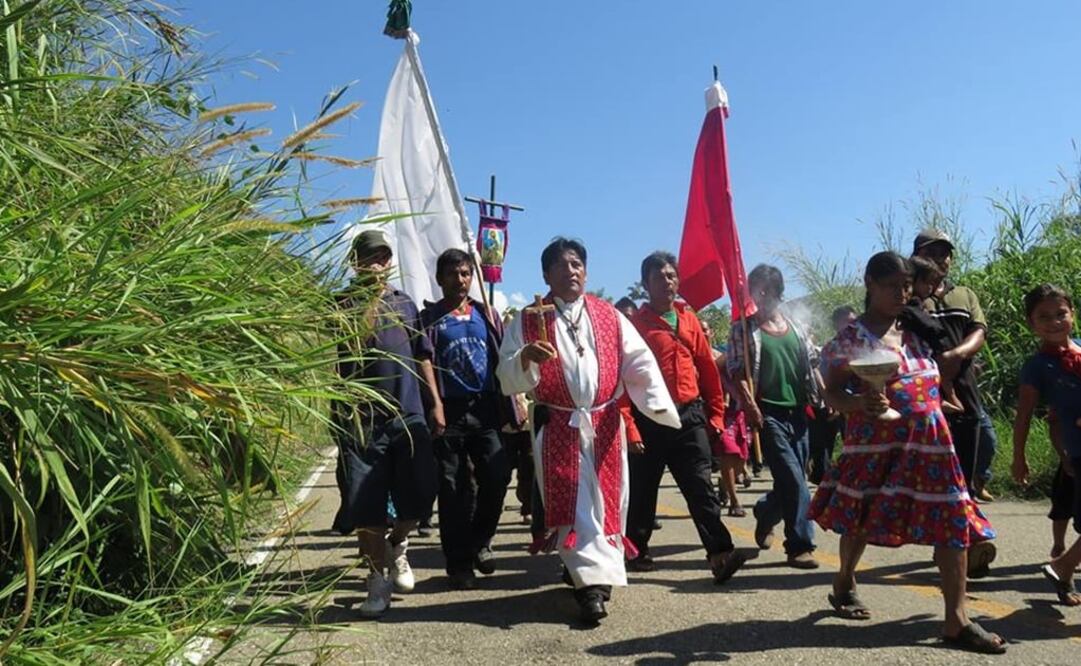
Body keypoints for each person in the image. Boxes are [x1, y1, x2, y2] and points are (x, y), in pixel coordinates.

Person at [811, 251, 1004, 655]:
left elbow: (949, 364)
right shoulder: (849, 340)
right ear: (869, 284)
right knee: (861, 520)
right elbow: (829, 391)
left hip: (933, 448)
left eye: (905, 285)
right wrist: (856, 404)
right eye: (890, 285)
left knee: (953, 520)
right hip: (874, 449)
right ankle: (844, 580)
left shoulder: (919, 330)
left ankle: (957, 620)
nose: (901, 293)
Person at [497, 237, 679, 625]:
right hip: (559, 425)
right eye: (562, 266)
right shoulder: (529, 320)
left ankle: (593, 574)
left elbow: (638, 360)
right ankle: (591, 589)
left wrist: (659, 406)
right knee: (576, 508)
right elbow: (506, 373)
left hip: (605, 422)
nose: (571, 271)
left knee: (608, 505)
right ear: (546, 274)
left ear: (587, 271)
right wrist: (526, 357)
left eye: (577, 264)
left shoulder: (608, 315)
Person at [331, 229, 440, 619]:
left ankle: (399, 544)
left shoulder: (405, 303)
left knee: (422, 495)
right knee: (367, 506)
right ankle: (377, 580)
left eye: (383, 257)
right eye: (370, 257)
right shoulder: (340, 304)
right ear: (355, 262)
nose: (377, 264)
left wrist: (435, 404)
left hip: (407, 414)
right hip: (362, 421)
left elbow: (423, 355)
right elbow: (328, 364)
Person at [623, 251, 747, 580]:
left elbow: (707, 369)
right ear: (645, 283)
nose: (667, 281)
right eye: (659, 276)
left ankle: (721, 554)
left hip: (690, 416)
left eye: (671, 275)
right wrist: (630, 426)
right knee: (643, 488)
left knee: (700, 487)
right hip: (649, 418)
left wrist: (716, 416)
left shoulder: (689, 319)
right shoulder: (635, 326)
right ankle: (635, 549)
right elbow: (624, 380)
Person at [420, 249, 513, 590]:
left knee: (498, 475)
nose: (460, 280)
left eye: (465, 273)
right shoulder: (430, 317)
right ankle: (459, 563)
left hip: (486, 407)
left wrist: (511, 400)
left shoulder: (486, 314)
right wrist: (436, 405)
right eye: (453, 274)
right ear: (439, 278)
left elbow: (503, 357)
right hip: (451, 410)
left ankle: (480, 541)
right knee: (454, 487)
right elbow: (424, 360)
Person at [728, 264, 820, 569]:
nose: (762, 295)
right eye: (757, 289)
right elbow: (736, 371)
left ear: (778, 292)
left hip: (799, 411)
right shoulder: (744, 329)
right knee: (795, 481)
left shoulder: (795, 324)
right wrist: (751, 407)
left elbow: (811, 362)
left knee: (794, 480)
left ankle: (766, 512)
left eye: (768, 289)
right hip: (768, 413)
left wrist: (824, 394)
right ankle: (799, 545)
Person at [913, 229, 996, 504]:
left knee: (964, 477)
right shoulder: (906, 294)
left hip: (964, 392)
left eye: (945, 253)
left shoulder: (964, 294)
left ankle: (964, 534)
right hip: (923, 396)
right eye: (932, 252)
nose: (940, 258)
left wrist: (955, 356)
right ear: (917, 256)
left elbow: (979, 332)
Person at [1012, 284, 1081, 607]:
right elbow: (1025, 415)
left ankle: (1063, 568)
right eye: (1044, 317)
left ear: (1073, 315)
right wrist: (1019, 457)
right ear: (1031, 323)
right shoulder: (1038, 366)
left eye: (1061, 314)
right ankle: (1062, 565)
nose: (1055, 322)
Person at [901, 256, 964, 414]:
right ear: (914, 282)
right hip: (928, 352)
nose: (930, 288)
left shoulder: (917, 303)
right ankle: (946, 401)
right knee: (943, 380)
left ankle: (948, 400)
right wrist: (938, 332)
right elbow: (928, 326)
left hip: (927, 352)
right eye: (927, 283)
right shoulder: (912, 304)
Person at [807, 307, 858, 484]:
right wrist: (832, 401)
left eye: (854, 320)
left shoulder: (864, 344)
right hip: (837, 405)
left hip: (860, 406)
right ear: (837, 325)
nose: (852, 325)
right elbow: (824, 378)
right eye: (847, 321)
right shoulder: (831, 349)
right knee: (826, 449)